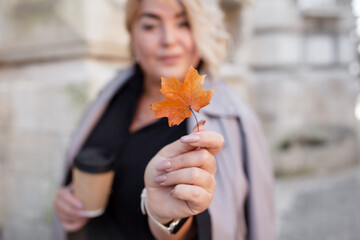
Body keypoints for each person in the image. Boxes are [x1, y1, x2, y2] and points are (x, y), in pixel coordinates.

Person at [53, 0, 274, 239]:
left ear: (202, 30)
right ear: (132, 35)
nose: (168, 39)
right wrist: (68, 201)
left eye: (183, 23)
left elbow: (248, 225)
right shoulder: (112, 94)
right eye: (150, 25)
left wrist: (167, 219)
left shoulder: (231, 119)